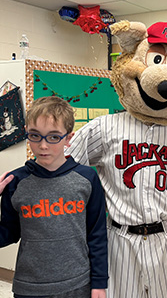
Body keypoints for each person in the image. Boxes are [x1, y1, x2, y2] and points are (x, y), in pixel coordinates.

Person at [0, 96, 108, 298]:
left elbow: (97, 234)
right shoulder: (15, 182)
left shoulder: (87, 178)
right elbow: (8, 233)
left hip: (78, 284)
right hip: (30, 288)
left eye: (53, 137)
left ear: (68, 138)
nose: (43, 145)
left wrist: (99, 284)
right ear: (27, 134)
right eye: (35, 136)